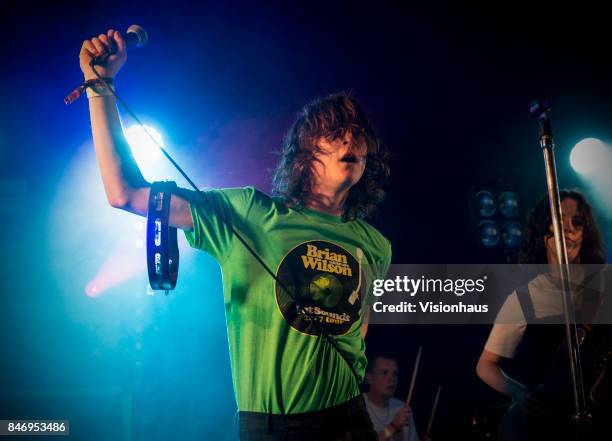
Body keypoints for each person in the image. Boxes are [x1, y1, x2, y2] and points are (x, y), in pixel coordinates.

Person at [79, 29, 392, 440]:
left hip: (348, 421)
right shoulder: (250, 211)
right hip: (271, 427)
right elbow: (127, 192)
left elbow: (357, 330)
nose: (351, 138)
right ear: (305, 152)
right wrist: (100, 88)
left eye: (358, 132)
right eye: (335, 130)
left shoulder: (376, 245)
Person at [476, 190, 608, 440]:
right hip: (553, 423)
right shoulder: (525, 298)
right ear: (542, 229)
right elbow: (485, 365)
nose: (569, 229)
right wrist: (521, 394)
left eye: (577, 222)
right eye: (560, 221)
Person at [363, 354, 419, 441]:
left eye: (395, 374)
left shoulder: (403, 407)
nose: (392, 379)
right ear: (369, 378)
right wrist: (392, 427)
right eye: (384, 373)